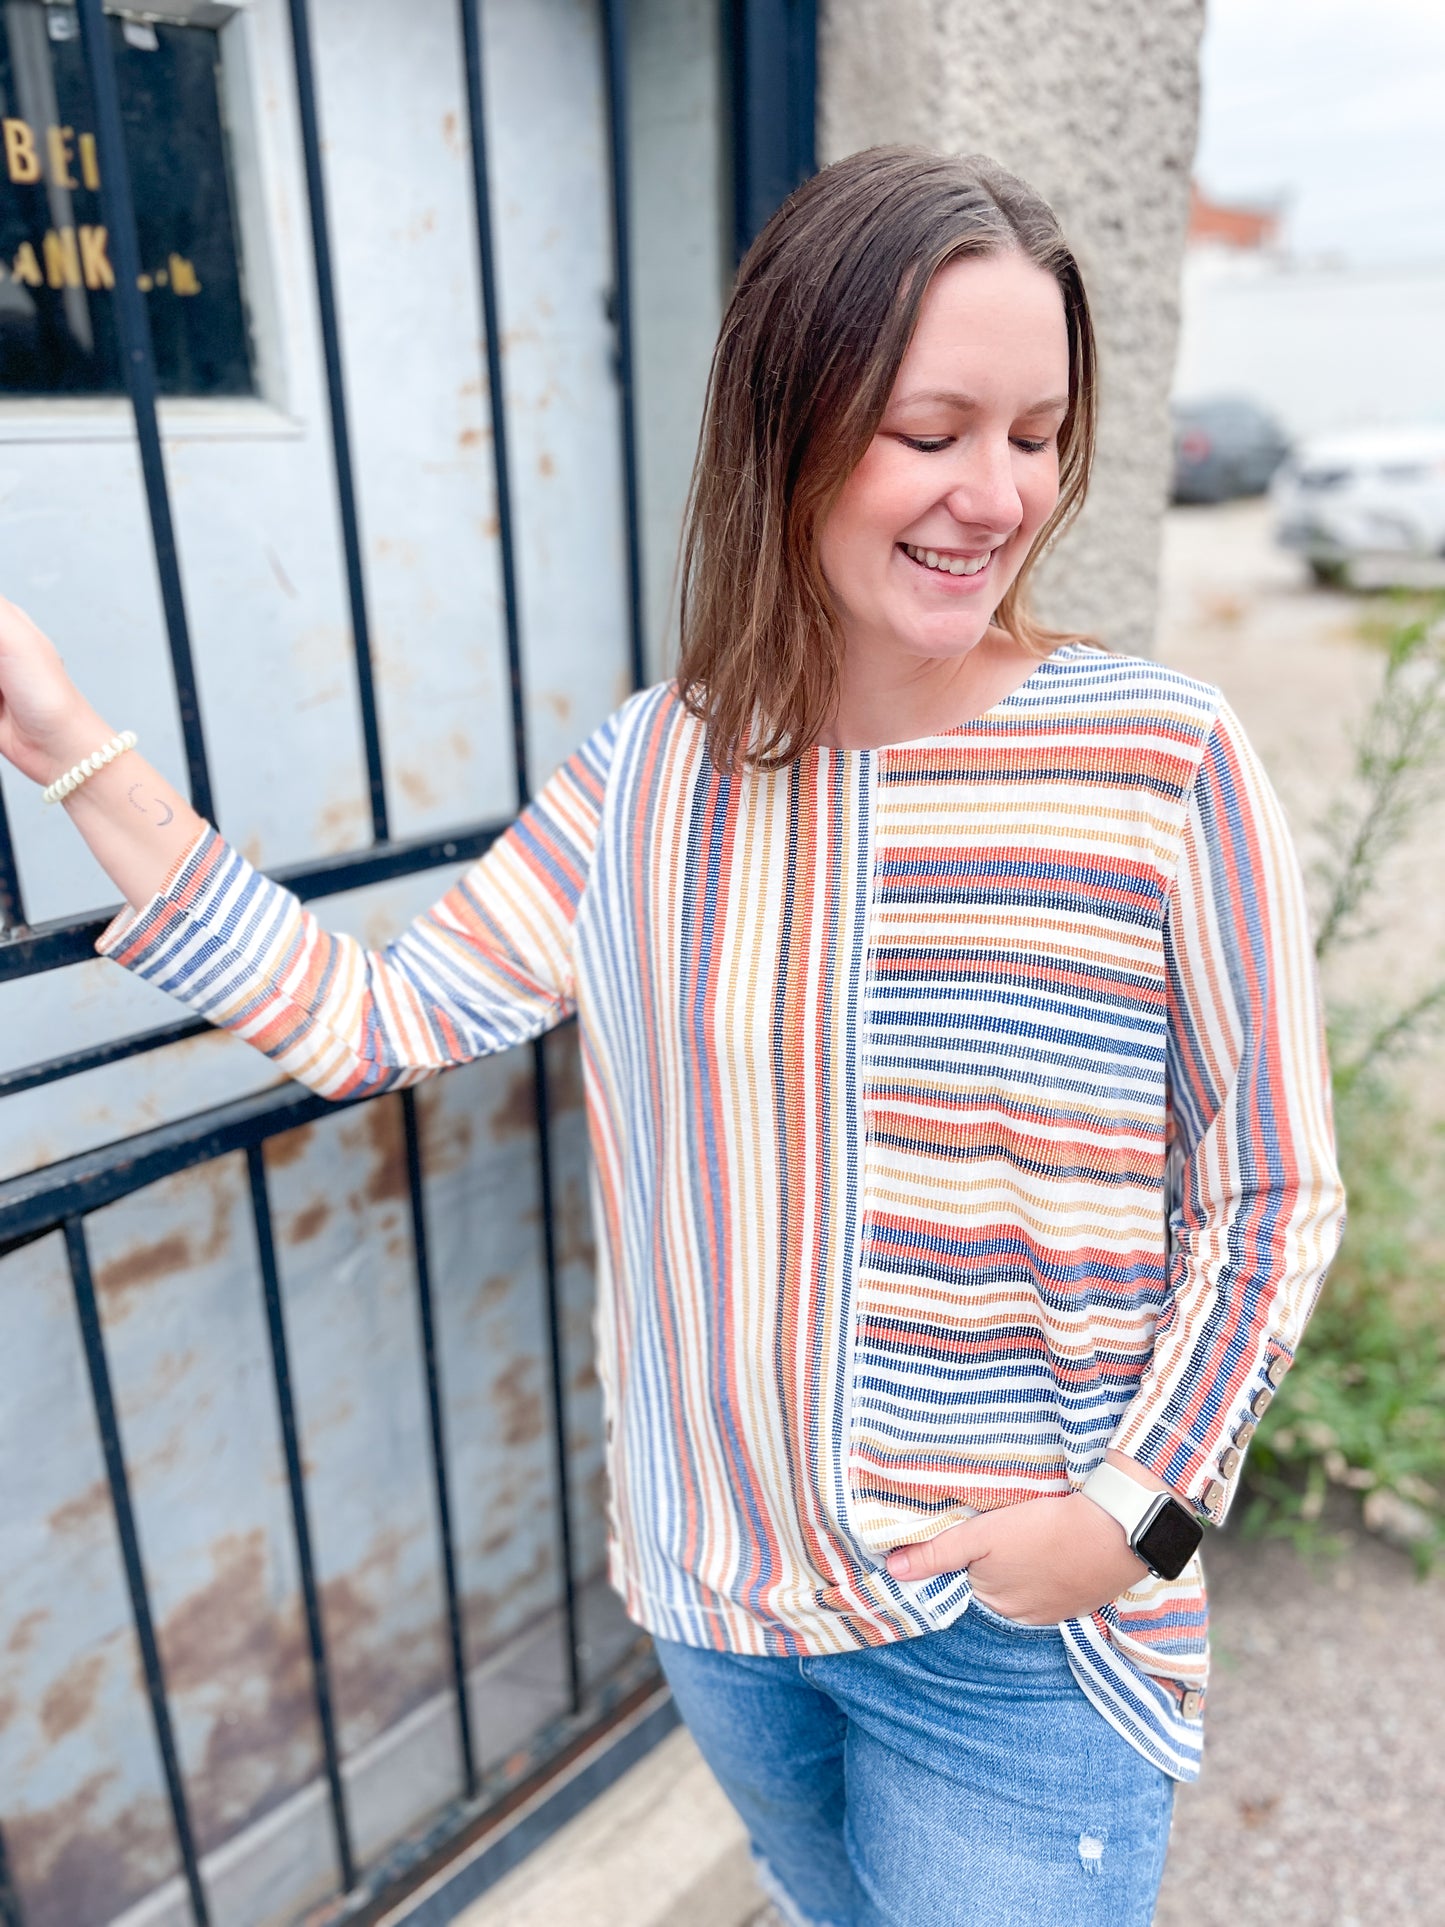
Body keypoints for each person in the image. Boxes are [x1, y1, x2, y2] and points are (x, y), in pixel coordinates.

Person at [0, 148, 1343, 1925]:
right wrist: (66, 737)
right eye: (928, 429)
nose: (992, 494)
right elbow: (370, 1017)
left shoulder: (1157, 763)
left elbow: (1269, 1196)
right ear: (789, 423)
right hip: (721, 1615)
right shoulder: (651, 773)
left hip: (1008, 1645)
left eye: (1034, 434)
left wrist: (1136, 1515)